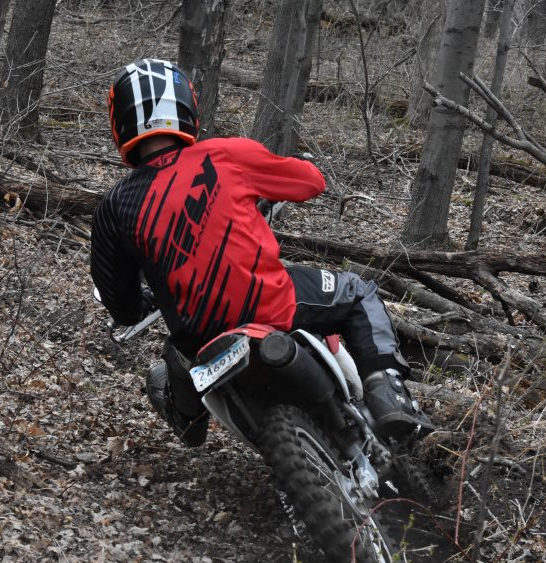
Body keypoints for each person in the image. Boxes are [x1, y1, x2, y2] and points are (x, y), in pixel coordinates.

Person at [91, 58, 419, 447]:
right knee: (357, 291)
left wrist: (142, 299)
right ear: (186, 106)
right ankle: (388, 397)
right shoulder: (225, 154)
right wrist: (264, 181)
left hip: (197, 339)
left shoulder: (114, 206)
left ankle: (187, 421)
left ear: (120, 121)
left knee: (174, 359)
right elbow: (311, 181)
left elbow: (121, 304)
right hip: (272, 306)